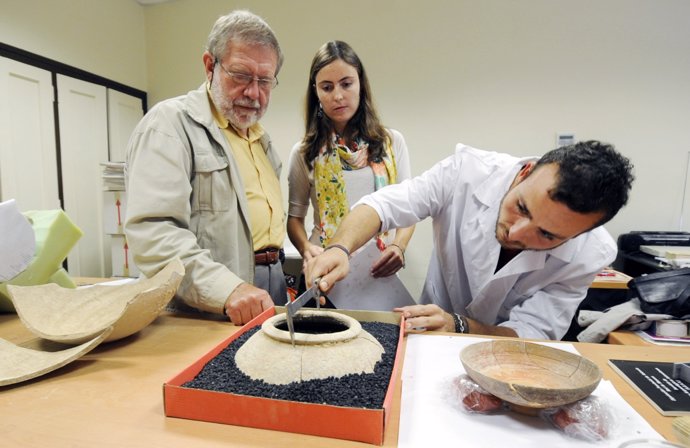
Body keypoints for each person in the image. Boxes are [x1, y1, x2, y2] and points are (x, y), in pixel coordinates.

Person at [305, 140, 634, 340]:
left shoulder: (589, 255)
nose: (517, 233)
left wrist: (459, 326)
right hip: (427, 333)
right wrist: (339, 247)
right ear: (524, 173)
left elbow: (532, 333)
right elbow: (385, 205)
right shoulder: (467, 171)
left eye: (547, 235)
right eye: (521, 207)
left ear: (579, 235)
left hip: (500, 353)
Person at [124, 10, 286, 325]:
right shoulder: (170, 125)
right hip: (203, 310)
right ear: (210, 65)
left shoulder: (262, 141)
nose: (254, 93)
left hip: (269, 287)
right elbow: (154, 233)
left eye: (265, 81)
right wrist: (228, 289)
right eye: (241, 75)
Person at [286, 40, 415, 309]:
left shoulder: (391, 143)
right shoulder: (304, 152)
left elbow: (408, 209)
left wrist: (398, 247)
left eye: (346, 83)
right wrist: (307, 251)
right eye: (327, 87)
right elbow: (294, 220)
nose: (338, 96)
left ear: (360, 84)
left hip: (377, 273)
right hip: (325, 276)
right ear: (316, 92)